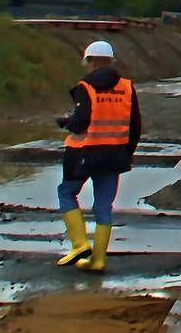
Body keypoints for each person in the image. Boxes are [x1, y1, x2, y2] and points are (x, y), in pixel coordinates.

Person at [56, 39, 142, 273]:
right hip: (114, 154)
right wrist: (127, 153)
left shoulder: (86, 86)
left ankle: (80, 245)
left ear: (90, 61)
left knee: (66, 192)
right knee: (104, 205)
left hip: (84, 153)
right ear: (111, 60)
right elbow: (135, 125)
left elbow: (81, 121)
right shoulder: (126, 86)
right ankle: (99, 260)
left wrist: (66, 122)